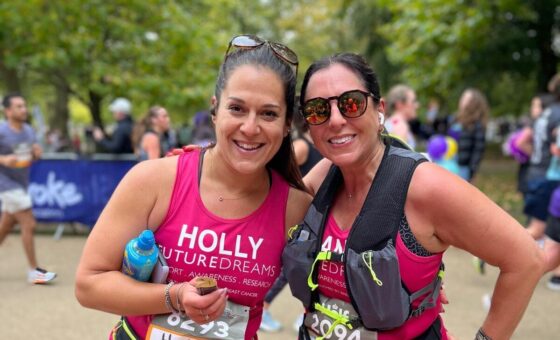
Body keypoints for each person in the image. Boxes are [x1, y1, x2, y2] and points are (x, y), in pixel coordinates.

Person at [283, 52, 544, 339]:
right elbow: (259, 217)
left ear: (379, 110)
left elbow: (526, 259)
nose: (335, 120)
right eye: (318, 110)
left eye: (351, 103)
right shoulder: (322, 179)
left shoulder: (423, 186)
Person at [75, 34, 311, 340]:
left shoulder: (296, 207)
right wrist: (173, 296)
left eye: (268, 113)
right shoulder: (154, 180)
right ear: (215, 110)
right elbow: (89, 284)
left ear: (287, 123)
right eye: (237, 109)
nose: (250, 128)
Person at [260, 109, 322, 332]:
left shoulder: (318, 146)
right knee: (292, 267)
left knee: (307, 268)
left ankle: (306, 313)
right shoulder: (303, 145)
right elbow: (282, 174)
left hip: (314, 216)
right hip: (300, 217)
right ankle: (264, 308)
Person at [0, 93, 57, 284]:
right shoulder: (1, 130)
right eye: (18, 106)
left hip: (21, 183)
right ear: (7, 111)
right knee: (28, 223)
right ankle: (34, 271)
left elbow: (32, 155)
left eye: (24, 106)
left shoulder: (29, 131)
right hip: (5, 183)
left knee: (5, 226)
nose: (23, 109)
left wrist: (36, 154)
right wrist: (3, 159)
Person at [451, 88, 489, 182]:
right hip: (450, 164)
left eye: (466, 98)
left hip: (463, 169)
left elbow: (478, 150)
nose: (462, 100)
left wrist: (472, 171)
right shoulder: (455, 119)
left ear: (474, 103)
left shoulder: (477, 124)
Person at [385, 84, 419, 149]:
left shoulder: (393, 122)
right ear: (399, 104)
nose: (417, 106)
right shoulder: (399, 126)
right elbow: (400, 158)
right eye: (413, 101)